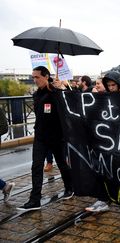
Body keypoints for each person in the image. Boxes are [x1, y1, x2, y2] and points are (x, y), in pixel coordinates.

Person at [17, 66, 74, 211]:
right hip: (40, 137)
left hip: (56, 136)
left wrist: (61, 88)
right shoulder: (36, 95)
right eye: (33, 77)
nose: (34, 80)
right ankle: (34, 199)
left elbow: (71, 102)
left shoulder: (55, 92)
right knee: (36, 166)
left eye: (37, 77)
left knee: (62, 164)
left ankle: (70, 187)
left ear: (46, 76)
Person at [85, 71, 120, 213]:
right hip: (108, 142)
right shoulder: (103, 97)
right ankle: (103, 199)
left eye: (113, 85)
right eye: (108, 85)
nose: (111, 88)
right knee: (104, 170)